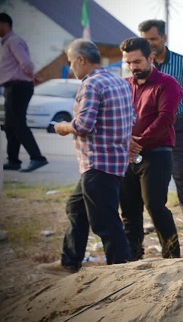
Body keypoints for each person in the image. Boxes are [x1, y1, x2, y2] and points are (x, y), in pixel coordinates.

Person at [37, 39, 134, 275]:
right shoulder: (118, 80)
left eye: (71, 62)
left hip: (98, 163)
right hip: (112, 161)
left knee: (106, 223)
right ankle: (69, 262)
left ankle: (123, 273)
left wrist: (62, 126)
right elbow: (131, 119)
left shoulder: (91, 84)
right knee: (76, 207)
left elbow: (83, 125)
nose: (71, 68)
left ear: (81, 59)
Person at [138, 19, 183, 236]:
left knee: (181, 171)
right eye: (145, 40)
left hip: (175, 124)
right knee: (150, 174)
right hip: (148, 128)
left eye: (153, 39)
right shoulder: (140, 64)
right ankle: (153, 219)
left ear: (164, 38)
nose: (149, 44)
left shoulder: (182, 63)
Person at [119, 37, 183, 260]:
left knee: (155, 206)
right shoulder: (125, 85)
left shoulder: (168, 83)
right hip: (127, 156)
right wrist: (126, 143)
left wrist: (137, 142)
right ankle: (132, 257)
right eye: (128, 62)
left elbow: (165, 119)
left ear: (151, 58)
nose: (133, 67)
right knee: (128, 210)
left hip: (156, 154)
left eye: (137, 62)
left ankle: (172, 257)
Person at [0, 12, 48, 173]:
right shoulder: (6, 43)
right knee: (9, 125)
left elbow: (26, 63)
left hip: (18, 86)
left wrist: (30, 75)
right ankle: (13, 160)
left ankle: (37, 158)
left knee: (18, 123)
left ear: (4, 24)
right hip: (13, 86)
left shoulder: (13, 41)